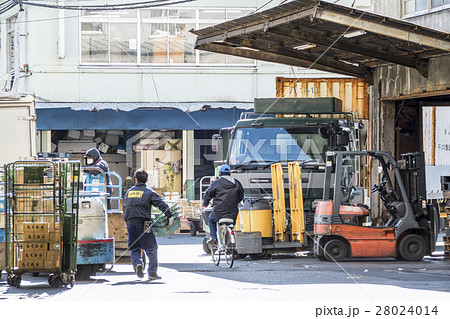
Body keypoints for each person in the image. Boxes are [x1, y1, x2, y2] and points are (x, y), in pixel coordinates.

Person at [123, 169, 172, 280]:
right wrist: (169, 215)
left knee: (134, 247)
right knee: (151, 248)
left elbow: (124, 207)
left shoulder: (128, 192)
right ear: (147, 180)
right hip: (144, 223)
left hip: (130, 222)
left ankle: (137, 264)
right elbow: (161, 204)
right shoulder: (149, 192)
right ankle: (152, 273)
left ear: (135, 179)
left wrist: (127, 221)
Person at [202, 164, 244, 244]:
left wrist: (205, 203)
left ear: (220, 173)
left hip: (218, 213)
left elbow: (208, 194)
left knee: (211, 219)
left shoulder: (216, 183)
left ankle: (213, 237)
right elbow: (241, 196)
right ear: (230, 173)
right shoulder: (237, 183)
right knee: (232, 223)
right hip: (232, 213)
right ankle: (230, 233)